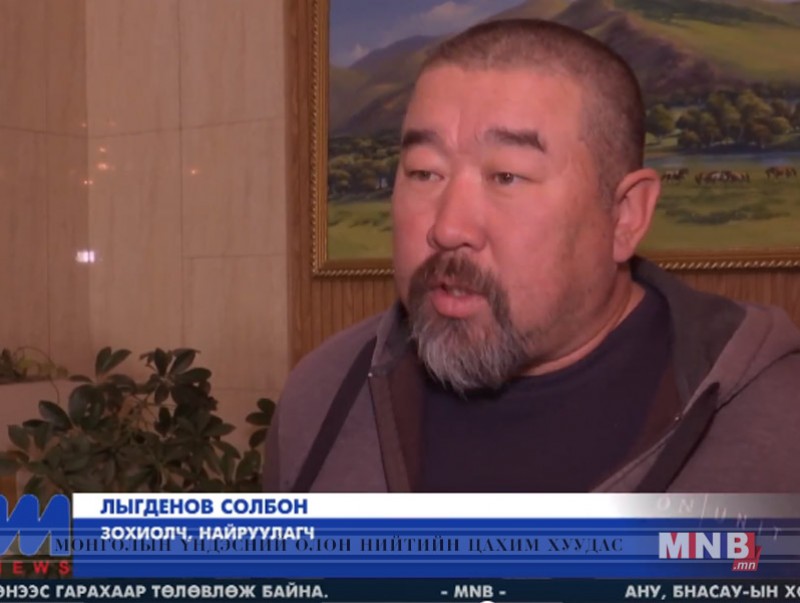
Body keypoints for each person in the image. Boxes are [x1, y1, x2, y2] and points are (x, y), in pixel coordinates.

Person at [263, 19, 800, 493]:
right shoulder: (324, 395)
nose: (448, 227)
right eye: (424, 172)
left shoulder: (779, 424)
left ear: (625, 216)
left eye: (506, 176)